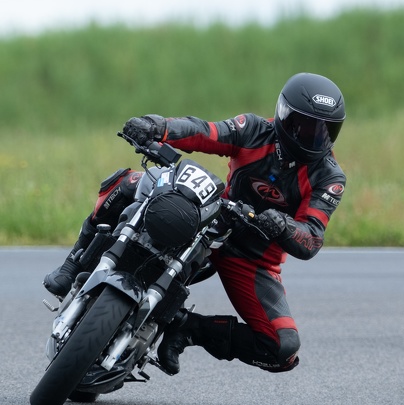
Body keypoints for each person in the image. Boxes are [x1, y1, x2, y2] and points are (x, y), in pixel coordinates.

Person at [43, 72, 347, 375]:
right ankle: (73, 263)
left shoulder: (330, 177)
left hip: (253, 258)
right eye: (305, 126)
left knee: (283, 348)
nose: (314, 137)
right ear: (284, 115)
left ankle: (187, 328)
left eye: (324, 131)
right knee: (130, 182)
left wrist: (283, 226)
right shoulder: (255, 130)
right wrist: (158, 126)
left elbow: (312, 237)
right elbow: (205, 132)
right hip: (211, 222)